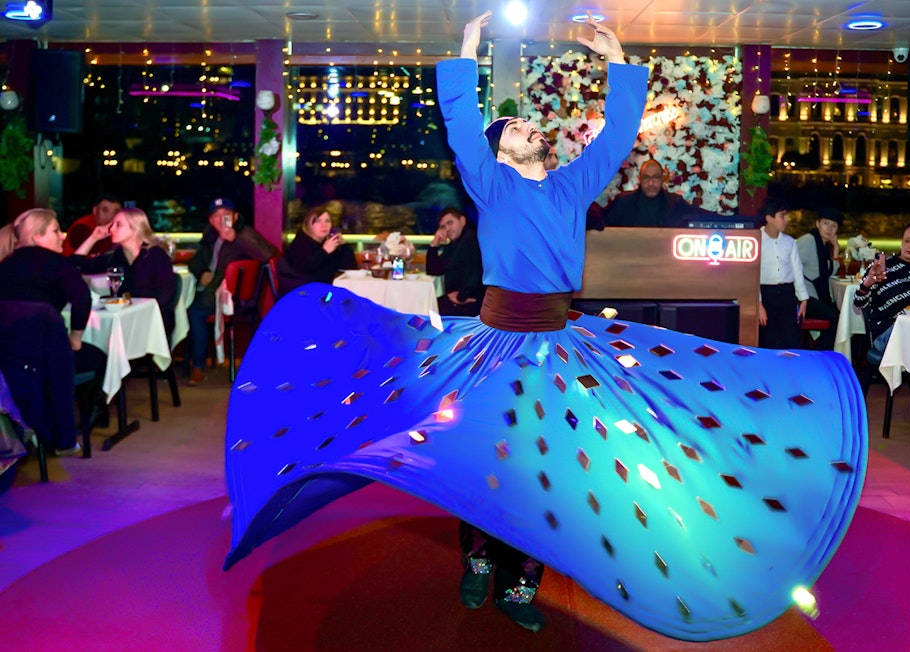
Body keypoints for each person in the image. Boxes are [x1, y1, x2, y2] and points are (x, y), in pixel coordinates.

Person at [222, 12, 866, 644]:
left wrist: (617, 62)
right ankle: (478, 561)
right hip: (493, 343)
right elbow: (463, 128)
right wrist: (466, 48)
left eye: (532, 123)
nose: (533, 126)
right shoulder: (491, 182)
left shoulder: (569, 185)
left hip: (562, 346)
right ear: (502, 146)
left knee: (545, 464)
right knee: (480, 455)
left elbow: (615, 139)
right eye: (520, 125)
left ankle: (521, 583)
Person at [0, 208, 107, 456]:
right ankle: (67, 436)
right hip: (46, 356)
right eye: (56, 231)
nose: (62, 236)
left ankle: (31, 428)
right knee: (96, 357)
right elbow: (82, 299)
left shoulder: (5, 265)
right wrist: (76, 338)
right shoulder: (57, 264)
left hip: (9, 361)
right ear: (38, 237)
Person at [185, 198, 276, 385]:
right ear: (211, 220)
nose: (221, 219)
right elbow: (195, 260)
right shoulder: (210, 235)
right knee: (181, 302)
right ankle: (187, 363)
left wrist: (236, 238)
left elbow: (267, 254)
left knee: (193, 311)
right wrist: (201, 272)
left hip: (233, 298)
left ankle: (197, 367)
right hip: (208, 289)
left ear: (235, 217)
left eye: (226, 215)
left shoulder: (244, 233)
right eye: (216, 215)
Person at [71, 207, 178, 334]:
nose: (111, 229)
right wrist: (93, 238)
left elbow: (165, 294)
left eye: (118, 225)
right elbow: (74, 266)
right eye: (112, 225)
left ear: (135, 229)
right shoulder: (116, 256)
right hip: (124, 320)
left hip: (153, 321)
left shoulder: (155, 255)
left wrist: (129, 303)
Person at [853, 217, 910, 365]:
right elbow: (858, 303)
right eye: (907, 241)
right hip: (887, 334)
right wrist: (869, 282)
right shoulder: (882, 268)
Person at [757, 197, 809, 350]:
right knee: (768, 339)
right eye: (782, 216)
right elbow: (752, 276)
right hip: (766, 294)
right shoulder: (756, 240)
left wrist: (803, 299)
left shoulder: (790, 242)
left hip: (787, 294)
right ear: (769, 218)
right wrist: (758, 304)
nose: (786, 220)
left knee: (791, 338)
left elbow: (797, 270)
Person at [276, 205, 356, 298]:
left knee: (351, 300)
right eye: (318, 221)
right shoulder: (301, 243)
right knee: (343, 301)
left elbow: (350, 267)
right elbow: (304, 269)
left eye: (327, 221)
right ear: (308, 225)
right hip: (303, 298)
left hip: (324, 294)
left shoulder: (326, 244)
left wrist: (343, 244)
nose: (324, 225)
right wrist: (324, 251)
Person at [795, 206, 843, 350]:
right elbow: (793, 268)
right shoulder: (808, 240)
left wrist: (835, 251)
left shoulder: (823, 246)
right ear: (817, 224)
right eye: (826, 223)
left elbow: (829, 273)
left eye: (834, 226)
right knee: (834, 316)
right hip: (803, 297)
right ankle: (824, 354)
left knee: (841, 313)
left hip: (815, 296)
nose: (829, 229)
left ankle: (826, 352)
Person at [425, 207, 485, 317]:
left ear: (462, 221)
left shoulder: (471, 240)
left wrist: (461, 297)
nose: (447, 229)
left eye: (450, 223)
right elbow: (434, 270)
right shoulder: (454, 244)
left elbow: (476, 272)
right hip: (457, 300)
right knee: (428, 305)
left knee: (428, 309)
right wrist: (434, 244)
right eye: (443, 226)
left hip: (468, 304)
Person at [603, 159, 689, 227]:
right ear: (639, 179)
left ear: (662, 179)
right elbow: (600, 222)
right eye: (646, 178)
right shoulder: (623, 202)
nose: (651, 183)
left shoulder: (676, 203)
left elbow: (699, 218)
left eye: (656, 177)